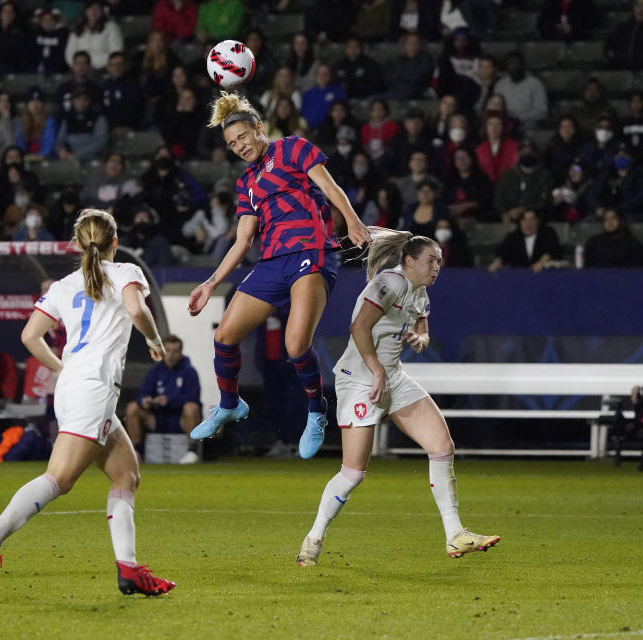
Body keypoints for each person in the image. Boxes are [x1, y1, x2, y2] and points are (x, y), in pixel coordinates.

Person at [0, 208, 176, 598]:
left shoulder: (64, 285)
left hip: (76, 388)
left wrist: (63, 368)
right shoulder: (126, 272)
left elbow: (31, 337)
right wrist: (154, 341)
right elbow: (136, 309)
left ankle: (129, 569)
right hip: (93, 390)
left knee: (126, 475)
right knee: (59, 479)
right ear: (116, 242)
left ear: (77, 244)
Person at [294, 229, 500, 565]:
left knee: (442, 447)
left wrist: (419, 339)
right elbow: (359, 328)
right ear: (408, 260)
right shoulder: (390, 283)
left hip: (393, 378)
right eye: (431, 260)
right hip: (361, 379)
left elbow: (422, 333)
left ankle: (455, 535)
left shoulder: (420, 294)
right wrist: (376, 371)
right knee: (353, 472)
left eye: (439, 262)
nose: (436, 267)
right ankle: (313, 539)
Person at [186, 92, 369, 459]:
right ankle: (229, 404)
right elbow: (242, 241)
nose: (239, 146)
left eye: (242, 137)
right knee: (224, 335)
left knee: (295, 346)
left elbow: (328, 187)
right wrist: (210, 283)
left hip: (311, 253)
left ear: (258, 128)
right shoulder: (247, 184)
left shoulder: (292, 148)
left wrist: (351, 220)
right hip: (271, 262)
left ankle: (317, 412)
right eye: (231, 144)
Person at [124, 335, 202, 457]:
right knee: (132, 407)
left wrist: (169, 400)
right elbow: (142, 393)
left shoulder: (190, 372)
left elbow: (193, 398)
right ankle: (137, 451)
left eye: (175, 351)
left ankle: (192, 451)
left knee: (192, 408)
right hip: (157, 419)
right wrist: (144, 400)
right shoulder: (155, 371)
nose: (171, 355)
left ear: (180, 353)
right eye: (167, 351)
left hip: (181, 419)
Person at [488, 209, 562, 272]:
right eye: (524, 220)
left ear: (538, 221)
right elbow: (502, 253)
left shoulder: (548, 234)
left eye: (531, 220)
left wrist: (542, 262)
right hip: (519, 278)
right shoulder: (513, 237)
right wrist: (497, 262)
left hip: (545, 276)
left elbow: (553, 251)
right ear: (520, 223)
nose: (527, 224)